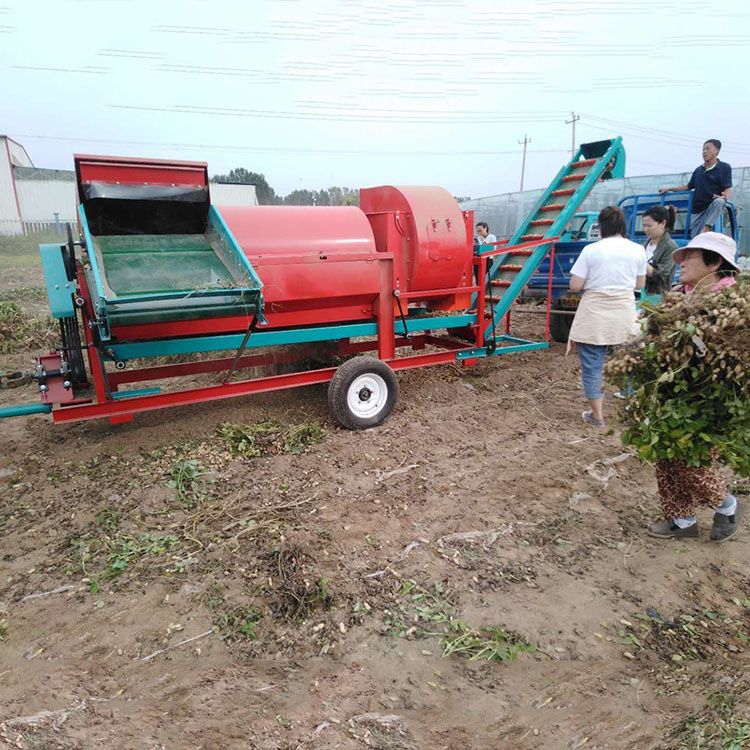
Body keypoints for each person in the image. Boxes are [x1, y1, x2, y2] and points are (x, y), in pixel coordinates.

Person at [647, 232, 741, 541]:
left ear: (714, 263)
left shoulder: (731, 303)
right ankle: (682, 521)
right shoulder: (681, 294)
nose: (682, 261)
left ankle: (726, 506)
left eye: (691, 256)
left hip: (705, 396)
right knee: (665, 458)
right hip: (672, 390)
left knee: (693, 462)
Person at [567, 206, 646, 427]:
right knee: (626, 364)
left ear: (601, 227)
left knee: (592, 365)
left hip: (595, 314)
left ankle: (597, 417)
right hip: (623, 312)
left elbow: (575, 285)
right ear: (623, 225)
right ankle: (633, 413)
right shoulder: (637, 249)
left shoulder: (591, 250)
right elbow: (639, 284)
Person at [659, 139, 732, 237]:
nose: (704, 152)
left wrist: (725, 196)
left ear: (717, 151)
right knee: (695, 240)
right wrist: (668, 189)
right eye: (703, 149)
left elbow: (727, 187)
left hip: (711, 207)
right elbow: (688, 186)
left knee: (720, 202)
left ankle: (707, 227)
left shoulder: (724, 167)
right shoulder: (698, 170)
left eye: (707, 148)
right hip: (697, 210)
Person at [642, 205, 677, 295]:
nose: (646, 229)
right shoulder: (644, 245)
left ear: (663, 223)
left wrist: (641, 263)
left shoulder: (670, 247)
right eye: (644, 225)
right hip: (640, 293)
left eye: (650, 226)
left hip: (657, 296)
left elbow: (663, 276)